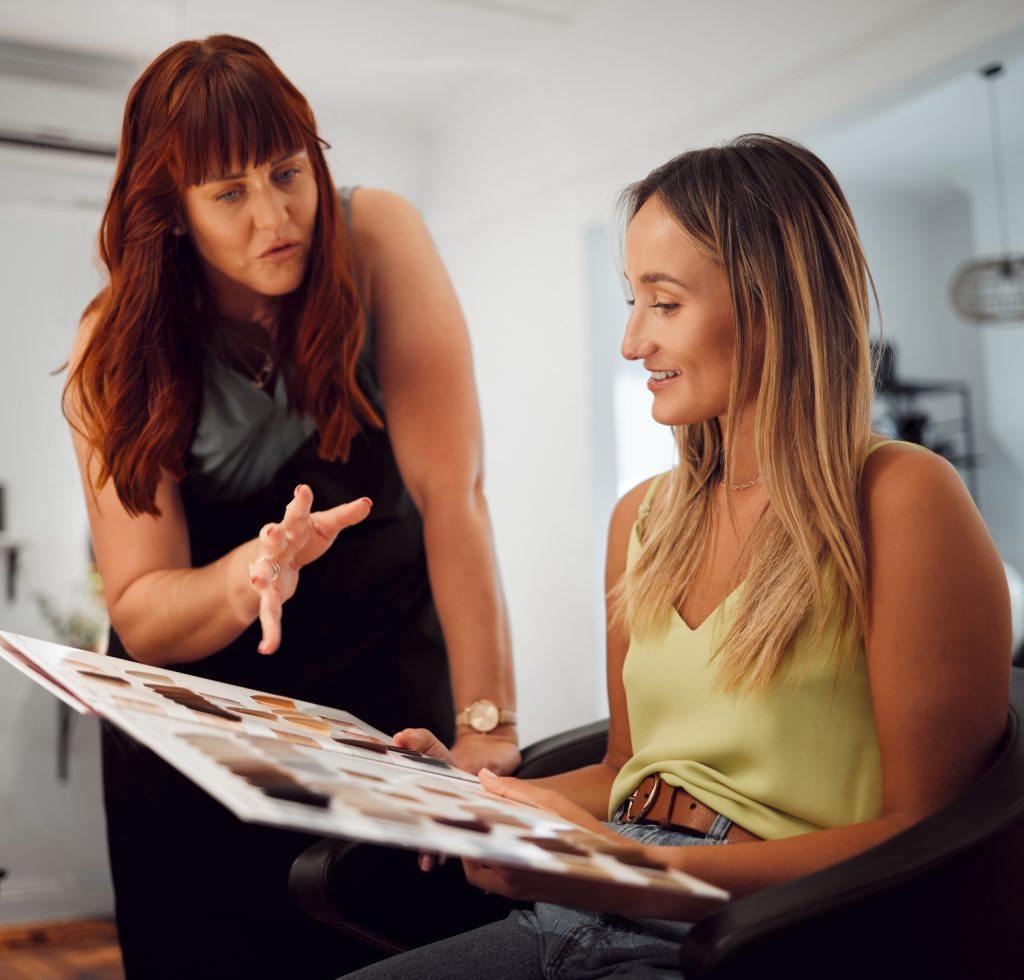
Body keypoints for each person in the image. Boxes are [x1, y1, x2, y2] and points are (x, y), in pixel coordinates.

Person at [340, 134, 1012, 979]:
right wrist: (475, 796)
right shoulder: (641, 523)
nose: (631, 343)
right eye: (631, 302)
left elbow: (932, 840)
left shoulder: (903, 499)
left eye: (663, 304)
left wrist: (642, 875)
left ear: (772, 303)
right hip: (592, 907)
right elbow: (629, 771)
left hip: (769, 938)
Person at [63, 35, 520, 980]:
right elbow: (140, 606)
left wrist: (488, 730)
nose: (276, 215)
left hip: (383, 678)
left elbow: (454, 496)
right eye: (228, 192)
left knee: (405, 934)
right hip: (201, 713)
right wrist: (248, 575)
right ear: (174, 214)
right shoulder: (115, 345)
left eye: (287, 172)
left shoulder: (379, 236)